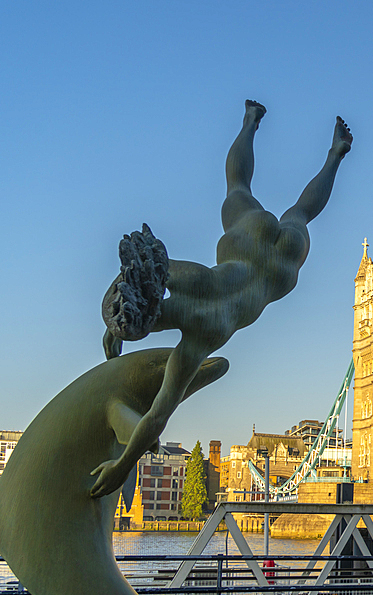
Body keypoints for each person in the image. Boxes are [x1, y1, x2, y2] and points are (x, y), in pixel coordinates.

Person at [91, 100, 353, 498]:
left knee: (300, 212)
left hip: (279, 271)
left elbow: (157, 416)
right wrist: (113, 317)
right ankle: (254, 122)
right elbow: (145, 266)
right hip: (248, 239)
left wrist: (122, 465)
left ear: (154, 325)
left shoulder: (200, 341)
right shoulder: (189, 278)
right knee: (238, 187)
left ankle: (334, 155)